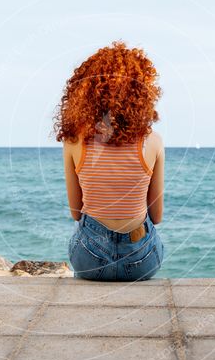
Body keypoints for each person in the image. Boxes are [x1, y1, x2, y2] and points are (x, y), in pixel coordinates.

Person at [54, 41, 164, 281]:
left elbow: (76, 211)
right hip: (140, 263)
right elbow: (157, 216)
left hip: (89, 260)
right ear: (141, 94)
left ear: (87, 93)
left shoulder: (75, 141)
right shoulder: (153, 141)